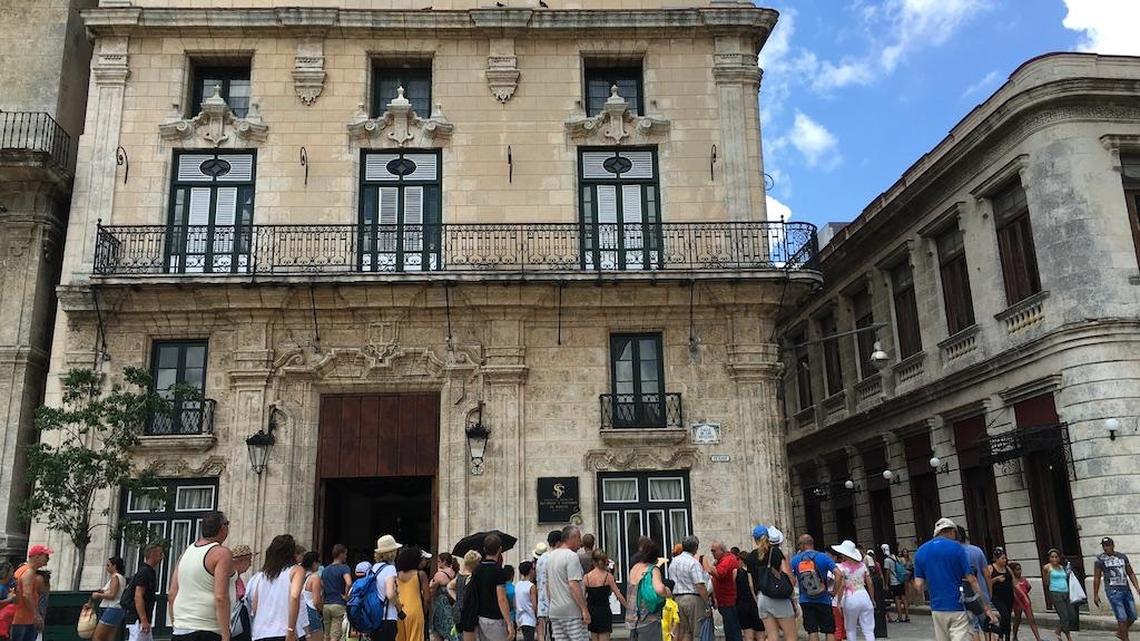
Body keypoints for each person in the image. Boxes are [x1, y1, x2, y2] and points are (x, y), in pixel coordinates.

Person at [914, 518, 997, 641]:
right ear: (952, 531)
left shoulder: (921, 551)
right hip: (957, 606)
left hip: (937, 608)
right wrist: (986, 607)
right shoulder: (957, 548)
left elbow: (919, 585)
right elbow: (972, 579)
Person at [168, 511, 235, 641]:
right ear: (222, 528)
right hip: (206, 628)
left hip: (181, 629)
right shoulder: (221, 553)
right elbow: (221, 597)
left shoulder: (186, 553)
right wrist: (226, 634)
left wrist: (176, 624)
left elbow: (172, 594)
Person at [248, 535, 308, 641]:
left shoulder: (261, 575)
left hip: (260, 633)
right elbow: (294, 597)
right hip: (283, 631)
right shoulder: (296, 570)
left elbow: (255, 605)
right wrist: (291, 630)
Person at [744, 526, 795, 641]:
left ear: (754, 539)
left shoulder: (750, 557)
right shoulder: (776, 552)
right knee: (791, 636)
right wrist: (792, 598)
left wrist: (757, 599)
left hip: (762, 598)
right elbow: (786, 575)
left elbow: (751, 584)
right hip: (779, 597)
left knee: (772, 637)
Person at [791, 534, 837, 641]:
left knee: (812, 631)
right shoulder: (823, 557)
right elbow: (838, 574)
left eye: (799, 544)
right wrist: (834, 591)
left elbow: (791, 579)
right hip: (824, 599)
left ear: (803, 545)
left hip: (805, 600)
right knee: (829, 631)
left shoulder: (795, 559)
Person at [547, 526, 589, 641]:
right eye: (579, 539)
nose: (580, 543)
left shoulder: (551, 557)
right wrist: (584, 609)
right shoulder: (571, 556)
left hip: (556, 611)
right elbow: (573, 585)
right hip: (572, 611)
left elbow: (548, 586)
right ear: (573, 538)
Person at [1094, 536, 1138, 641]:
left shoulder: (1122, 557)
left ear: (1113, 546)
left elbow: (1130, 572)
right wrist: (1095, 594)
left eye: (1108, 545)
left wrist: (1137, 586)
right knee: (1122, 617)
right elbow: (1096, 577)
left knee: (1132, 616)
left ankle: (1120, 633)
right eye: (1104, 546)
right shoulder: (1100, 560)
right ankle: (1125, 638)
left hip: (1126, 589)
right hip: (1113, 590)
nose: (1106, 548)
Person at [470, 534, 512, 641]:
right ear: (500, 549)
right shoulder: (499, 571)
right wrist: (509, 623)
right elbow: (501, 599)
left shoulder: (476, 570)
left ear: (484, 549)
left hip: (479, 618)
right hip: (495, 619)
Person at [625, 539, 668, 641]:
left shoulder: (634, 568)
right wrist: (667, 592)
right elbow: (660, 589)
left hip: (633, 619)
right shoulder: (652, 569)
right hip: (648, 619)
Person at [667, 536, 709, 641]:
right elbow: (699, 585)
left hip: (677, 598)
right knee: (697, 631)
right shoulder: (693, 563)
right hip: (693, 598)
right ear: (695, 548)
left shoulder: (674, 562)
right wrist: (707, 603)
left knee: (684, 631)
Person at [584, 550, 627, 641]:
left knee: (594, 637)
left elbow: (583, 597)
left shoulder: (587, 577)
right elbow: (618, 595)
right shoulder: (608, 576)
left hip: (592, 612)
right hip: (604, 611)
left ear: (593, 561)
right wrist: (628, 607)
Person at [124, 544, 164, 641]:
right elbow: (138, 596)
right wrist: (143, 619)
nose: (162, 557)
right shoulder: (144, 572)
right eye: (160, 554)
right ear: (152, 554)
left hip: (142, 619)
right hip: (138, 620)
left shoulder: (148, 572)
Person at [11, 545, 51, 641]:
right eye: (46, 556)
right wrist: (37, 615)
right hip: (23, 619)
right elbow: (27, 594)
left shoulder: (22, 570)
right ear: (37, 556)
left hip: (20, 617)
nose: (48, 559)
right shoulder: (29, 572)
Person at [703, 541, 740, 641]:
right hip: (723, 600)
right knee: (730, 630)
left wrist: (704, 562)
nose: (712, 553)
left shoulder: (727, 560)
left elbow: (719, 573)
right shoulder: (722, 560)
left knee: (732, 630)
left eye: (714, 551)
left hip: (729, 600)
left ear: (721, 550)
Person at [957, 527, 990, 639]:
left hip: (966, 596)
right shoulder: (977, 550)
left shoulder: (956, 553)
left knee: (973, 627)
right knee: (986, 626)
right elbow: (987, 574)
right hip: (982, 593)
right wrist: (989, 593)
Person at [371, 535, 403, 641]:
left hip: (374, 616)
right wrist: (399, 608)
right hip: (387, 617)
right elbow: (390, 593)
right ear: (392, 552)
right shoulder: (390, 569)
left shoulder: (374, 568)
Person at [1041, 548, 1076, 641]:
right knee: (1064, 615)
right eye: (1052, 557)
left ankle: (1058, 630)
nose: (1054, 559)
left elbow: (1065, 578)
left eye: (1056, 557)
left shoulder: (1061, 567)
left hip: (1065, 591)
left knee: (1071, 615)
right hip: (1055, 592)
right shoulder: (1047, 567)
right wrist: (1048, 575)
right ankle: (1068, 636)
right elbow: (1046, 582)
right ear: (1049, 558)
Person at [392, 547, 426, 641]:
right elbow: (427, 597)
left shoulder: (396, 574)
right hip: (416, 610)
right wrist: (425, 611)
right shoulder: (420, 574)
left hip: (399, 610)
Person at [322, 545, 353, 641]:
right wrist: (346, 595)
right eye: (345, 554)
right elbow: (349, 582)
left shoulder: (325, 570)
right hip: (338, 604)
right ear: (341, 554)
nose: (346, 556)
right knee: (335, 635)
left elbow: (322, 585)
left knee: (326, 635)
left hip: (326, 605)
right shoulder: (344, 568)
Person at [91, 557, 126, 641]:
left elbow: (112, 595)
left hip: (112, 608)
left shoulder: (115, 577)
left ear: (114, 566)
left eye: (108, 565)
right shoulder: (121, 577)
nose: (106, 567)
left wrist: (98, 595)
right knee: (110, 637)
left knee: (97, 637)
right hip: (118, 609)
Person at [731, 549, 762, 641]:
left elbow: (733, 588)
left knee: (748, 635)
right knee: (760, 633)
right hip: (755, 604)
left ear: (741, 560)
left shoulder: (736, 572)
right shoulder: (755, 572)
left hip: (742, 605)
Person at [536, 531, 562, 641]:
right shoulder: (557, 557)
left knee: (542, 633)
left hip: (542, 600)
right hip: (555, 600)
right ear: (558, 542)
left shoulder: (541, 558)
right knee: (556, 633)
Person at [983, 548, 1013, 641]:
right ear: (996, 559)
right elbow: (986, 583)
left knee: (1007, 619)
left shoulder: (1007, 568)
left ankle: (1005, 637)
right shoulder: (991, 568)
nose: (1005, 560)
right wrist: (996, 579)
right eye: (1002, 558)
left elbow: (1013, 581)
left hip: (1008, 596)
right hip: (997, 596)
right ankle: (997, 631)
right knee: (1005, 616)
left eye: (1005, 558)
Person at [451, 551, 480, 641]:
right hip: (467, 612)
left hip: (457, 610)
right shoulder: (471, 577)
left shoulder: (459, 576)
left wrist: (457, 598)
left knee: (460, 636)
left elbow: (449, 586)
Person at [1008, 563, 1041, 641]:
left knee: (1031, 620)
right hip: (1017, 603)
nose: (1019, 571)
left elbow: (1029, 587)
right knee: (1017, 620)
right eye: (1017, 570)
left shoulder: (1023, 579)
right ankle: (1015, 635)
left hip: (1026, 602)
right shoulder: (1012, 581)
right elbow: (1013, 593)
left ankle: (1038, 638)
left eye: (1020, 569)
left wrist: (1025, 595)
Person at [429, 553, 458, 641]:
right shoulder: (454, 573)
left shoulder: (439, 575)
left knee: (438, 631)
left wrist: (430, 584)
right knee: (450, 630)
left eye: (438, 561)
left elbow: (432, 591)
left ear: (444, 562)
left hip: (440, 606)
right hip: (451, 605)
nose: (437, 563)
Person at [232, 546, 255, 641]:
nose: (250, 564)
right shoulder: (232, 577)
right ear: (240, 561)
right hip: (235, 617)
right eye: (249, 560)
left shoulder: (237, 578)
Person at [881, 545, 908, 624]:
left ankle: (900, 617)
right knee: (903, 598)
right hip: (901, 580)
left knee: (897, 599)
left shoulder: (887, 560)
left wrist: (886, 583)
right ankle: (907, 616)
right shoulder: (896, 557)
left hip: (894, 581)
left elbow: (887, 572)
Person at [302, 552, 326, 641]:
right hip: (311, 612)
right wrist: (321, 610)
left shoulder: (300, 576)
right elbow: (316, 601)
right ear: (314, 563)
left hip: (301, 613)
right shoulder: (314, 578)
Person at [515, 562, 537, 641]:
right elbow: (534, 605)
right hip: (530, 619)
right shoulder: (531, 586)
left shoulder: (517, 585)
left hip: (520, 619)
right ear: (530, 571)